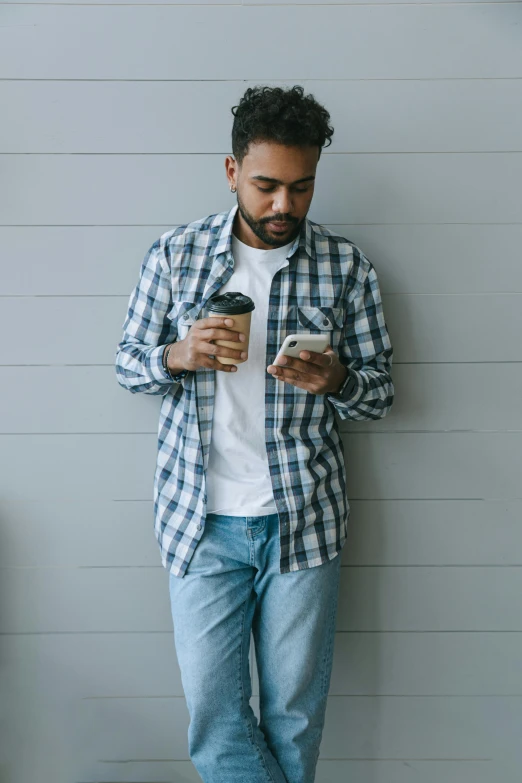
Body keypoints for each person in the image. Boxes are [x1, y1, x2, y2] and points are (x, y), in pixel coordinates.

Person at [115, 84, 394, 783]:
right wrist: (178, 354)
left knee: (295, 717)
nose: (284, 207)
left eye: (301, 188)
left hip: (304, 520)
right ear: (233, 169)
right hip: (200, 522)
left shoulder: (345, 266)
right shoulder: (175, 256)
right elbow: (128, 367)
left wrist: (335, 383)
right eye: (267, 185)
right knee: (215, 714)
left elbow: (380, 396)